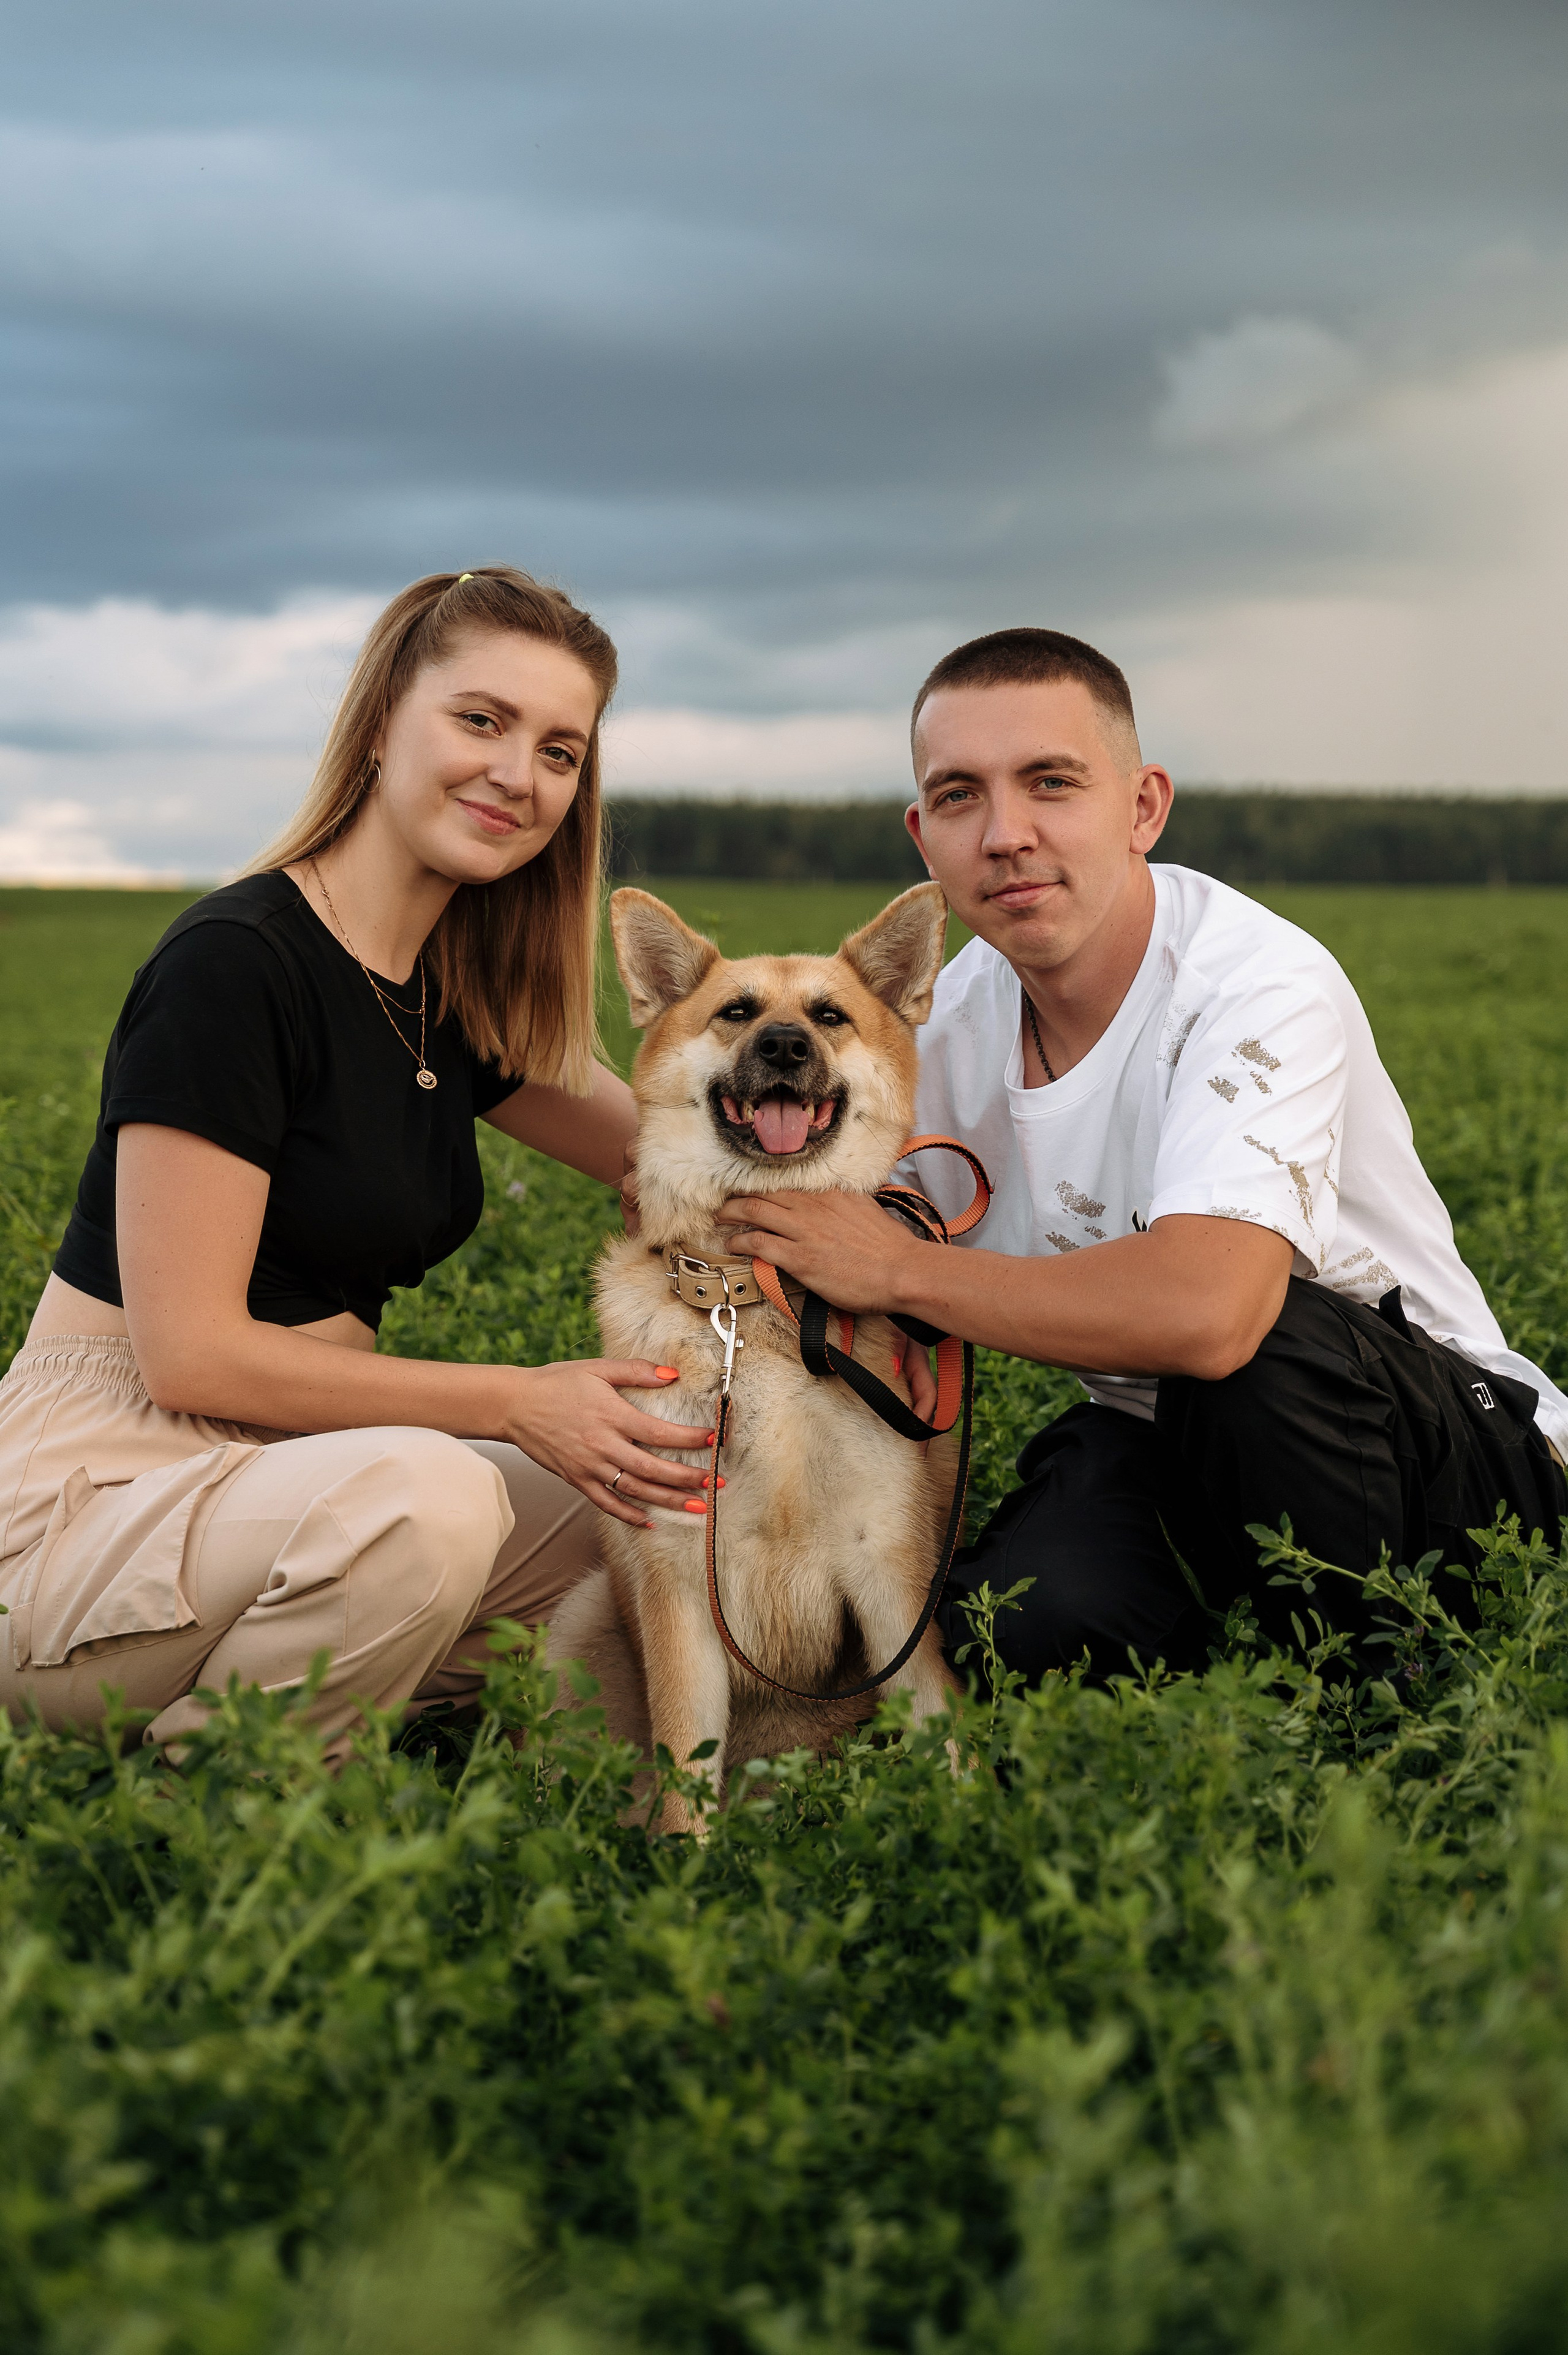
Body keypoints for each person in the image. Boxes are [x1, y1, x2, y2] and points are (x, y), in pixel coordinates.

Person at [719, 628, 1568, 1680]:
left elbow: (1207, 1316)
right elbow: (801, 1202)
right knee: (1020, 1635)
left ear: (1143, 807)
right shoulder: (940, 1029)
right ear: (922, 837)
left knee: (1261, 1342)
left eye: (1051, 783)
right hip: (1164, 1434)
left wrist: (901, 1269)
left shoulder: (1255, 983)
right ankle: (1230, 1651)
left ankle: (1385, 1700)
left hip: (1446, 1450)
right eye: (959, 796)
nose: (1005, 834)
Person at [0, 566, 713, 1759]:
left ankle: (418, 1719)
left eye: (558, 749)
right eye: (479, 719)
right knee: (429, 1503)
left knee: (648, 1509)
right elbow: (192, 1356)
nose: (516, 773)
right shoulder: (235, 964)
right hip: (95, 1497)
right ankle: (212, 1809)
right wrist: (517, 1400)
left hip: (292, 1484)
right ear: (384, 720)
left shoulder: (448, 994)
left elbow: (678, 1148)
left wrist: (890, 1208)